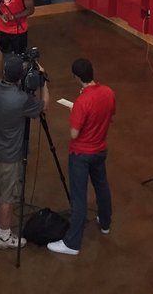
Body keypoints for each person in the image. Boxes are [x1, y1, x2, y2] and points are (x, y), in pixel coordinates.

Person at [48, 58, 115, 256]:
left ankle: (72, 242)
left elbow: (74, 134)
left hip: (81, 154)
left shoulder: (81, 102)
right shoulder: (109, 93)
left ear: (76, 77)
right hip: (100, 150)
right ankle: (105, 223)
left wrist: (74, 113)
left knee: (79, 197)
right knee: (102, 186)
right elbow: (110, 117)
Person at [0, 54, 48, 250]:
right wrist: (43, 82)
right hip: (9, 158)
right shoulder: (21, 100)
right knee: (7, 198)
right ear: (20, 77)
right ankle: (4, 236)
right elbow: (44, 106)